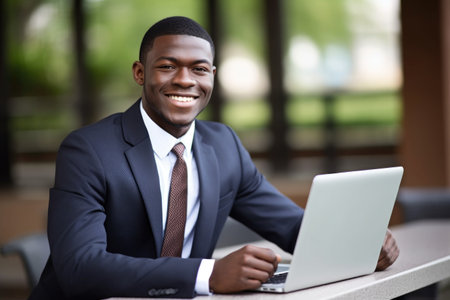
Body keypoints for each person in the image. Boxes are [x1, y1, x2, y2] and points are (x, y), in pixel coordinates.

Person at [29, 16, 399, 299]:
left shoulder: (223, 146)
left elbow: (291, 227)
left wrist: (360, 245)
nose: (185, 80)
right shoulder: (88, 151)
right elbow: (79, 268)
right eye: (168, 65)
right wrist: (207, 275)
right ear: (140, 73)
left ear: (212, 77)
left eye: (199, 69)